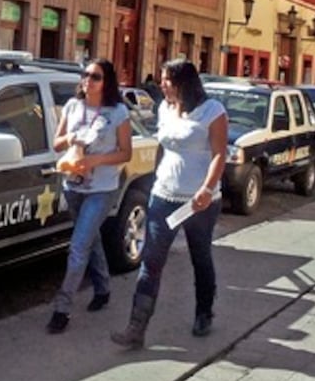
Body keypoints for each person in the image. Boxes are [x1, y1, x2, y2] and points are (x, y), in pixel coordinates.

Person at [111, 59, 227, 349]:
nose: (161, 84)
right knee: (151, 261)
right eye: (162, 79)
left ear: (184, 82)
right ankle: (136, 328)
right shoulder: (164, 108)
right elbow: (163, 146)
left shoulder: (212, 112)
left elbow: (219, 155)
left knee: (200, 256)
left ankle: (204, 311)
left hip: (200, 202)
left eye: (167, 80)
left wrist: (206, 189)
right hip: (164, 196)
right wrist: (154, 179)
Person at [46, 58, 133, 334]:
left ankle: (62, 308)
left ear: (106, 81)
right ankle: (104, 287)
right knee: (90, 238)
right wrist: (72, 138)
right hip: (73, 184)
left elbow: (126, 152)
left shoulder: (117, 112)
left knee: (78, 245)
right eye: (85, 75)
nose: (88, 80)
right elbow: (56, 142)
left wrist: (95, 161)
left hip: (102, 188)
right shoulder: (73, 106)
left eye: (95, 76)